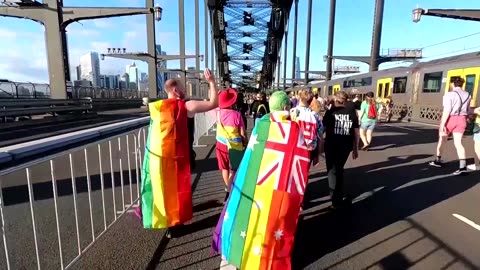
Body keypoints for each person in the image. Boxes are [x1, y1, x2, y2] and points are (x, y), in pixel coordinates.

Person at [213, 91, 310, 270]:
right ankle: (268, 256)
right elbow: (302, 154)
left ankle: (242, 250)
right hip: (279, 183)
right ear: (285, 107)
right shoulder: (294, 128)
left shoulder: (262, 125)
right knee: (275, 216)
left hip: (257, 180)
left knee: (253, 215)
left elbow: (252, 155)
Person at [140, 68, 218, 239]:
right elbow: (213, 103)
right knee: (179, 189)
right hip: (181, 155)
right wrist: (211, 82)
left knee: (165, 188)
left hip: (159, 157)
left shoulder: (158, 108)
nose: (185, 90)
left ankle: (166, 219)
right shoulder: (186, 106)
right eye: (183, 87)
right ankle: (175, 225)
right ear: (176, 90)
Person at [323, 90, 359, 209]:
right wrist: (355, 148)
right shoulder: (352, 113)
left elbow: (321, 129)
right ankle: (338, 194)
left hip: (331, 146)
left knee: (332, 171)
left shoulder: (330, 112)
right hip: (345, 146)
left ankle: (335, 200)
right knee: (339, 169)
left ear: (335, 99)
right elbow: (355, 132)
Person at [429, 77, 471, 175]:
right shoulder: (468, 95)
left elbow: (447, 110)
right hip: (462, 119)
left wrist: (443, 123)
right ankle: (462, 167)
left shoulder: (449, 95)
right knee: (458, 143)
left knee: (442, 140)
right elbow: (468, 110)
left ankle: (437, 160)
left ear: (453, 84)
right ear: (462, 84)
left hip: (450, 119)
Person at [216, 88, 247, 202]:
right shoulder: (237, 115)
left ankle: (229, 187)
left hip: (221, 144)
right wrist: (246, 142)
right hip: (235, 145)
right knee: (233, 169)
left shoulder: (217, 113)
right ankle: (229, 189)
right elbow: (243, 133)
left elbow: (211, 101)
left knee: (224, 167)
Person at [290, 89, 323, 168]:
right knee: (305, 169)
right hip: (310, 147)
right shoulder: (315, 115)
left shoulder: (292, 112)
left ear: (299, 98)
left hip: (295, 145)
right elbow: (320, 132)